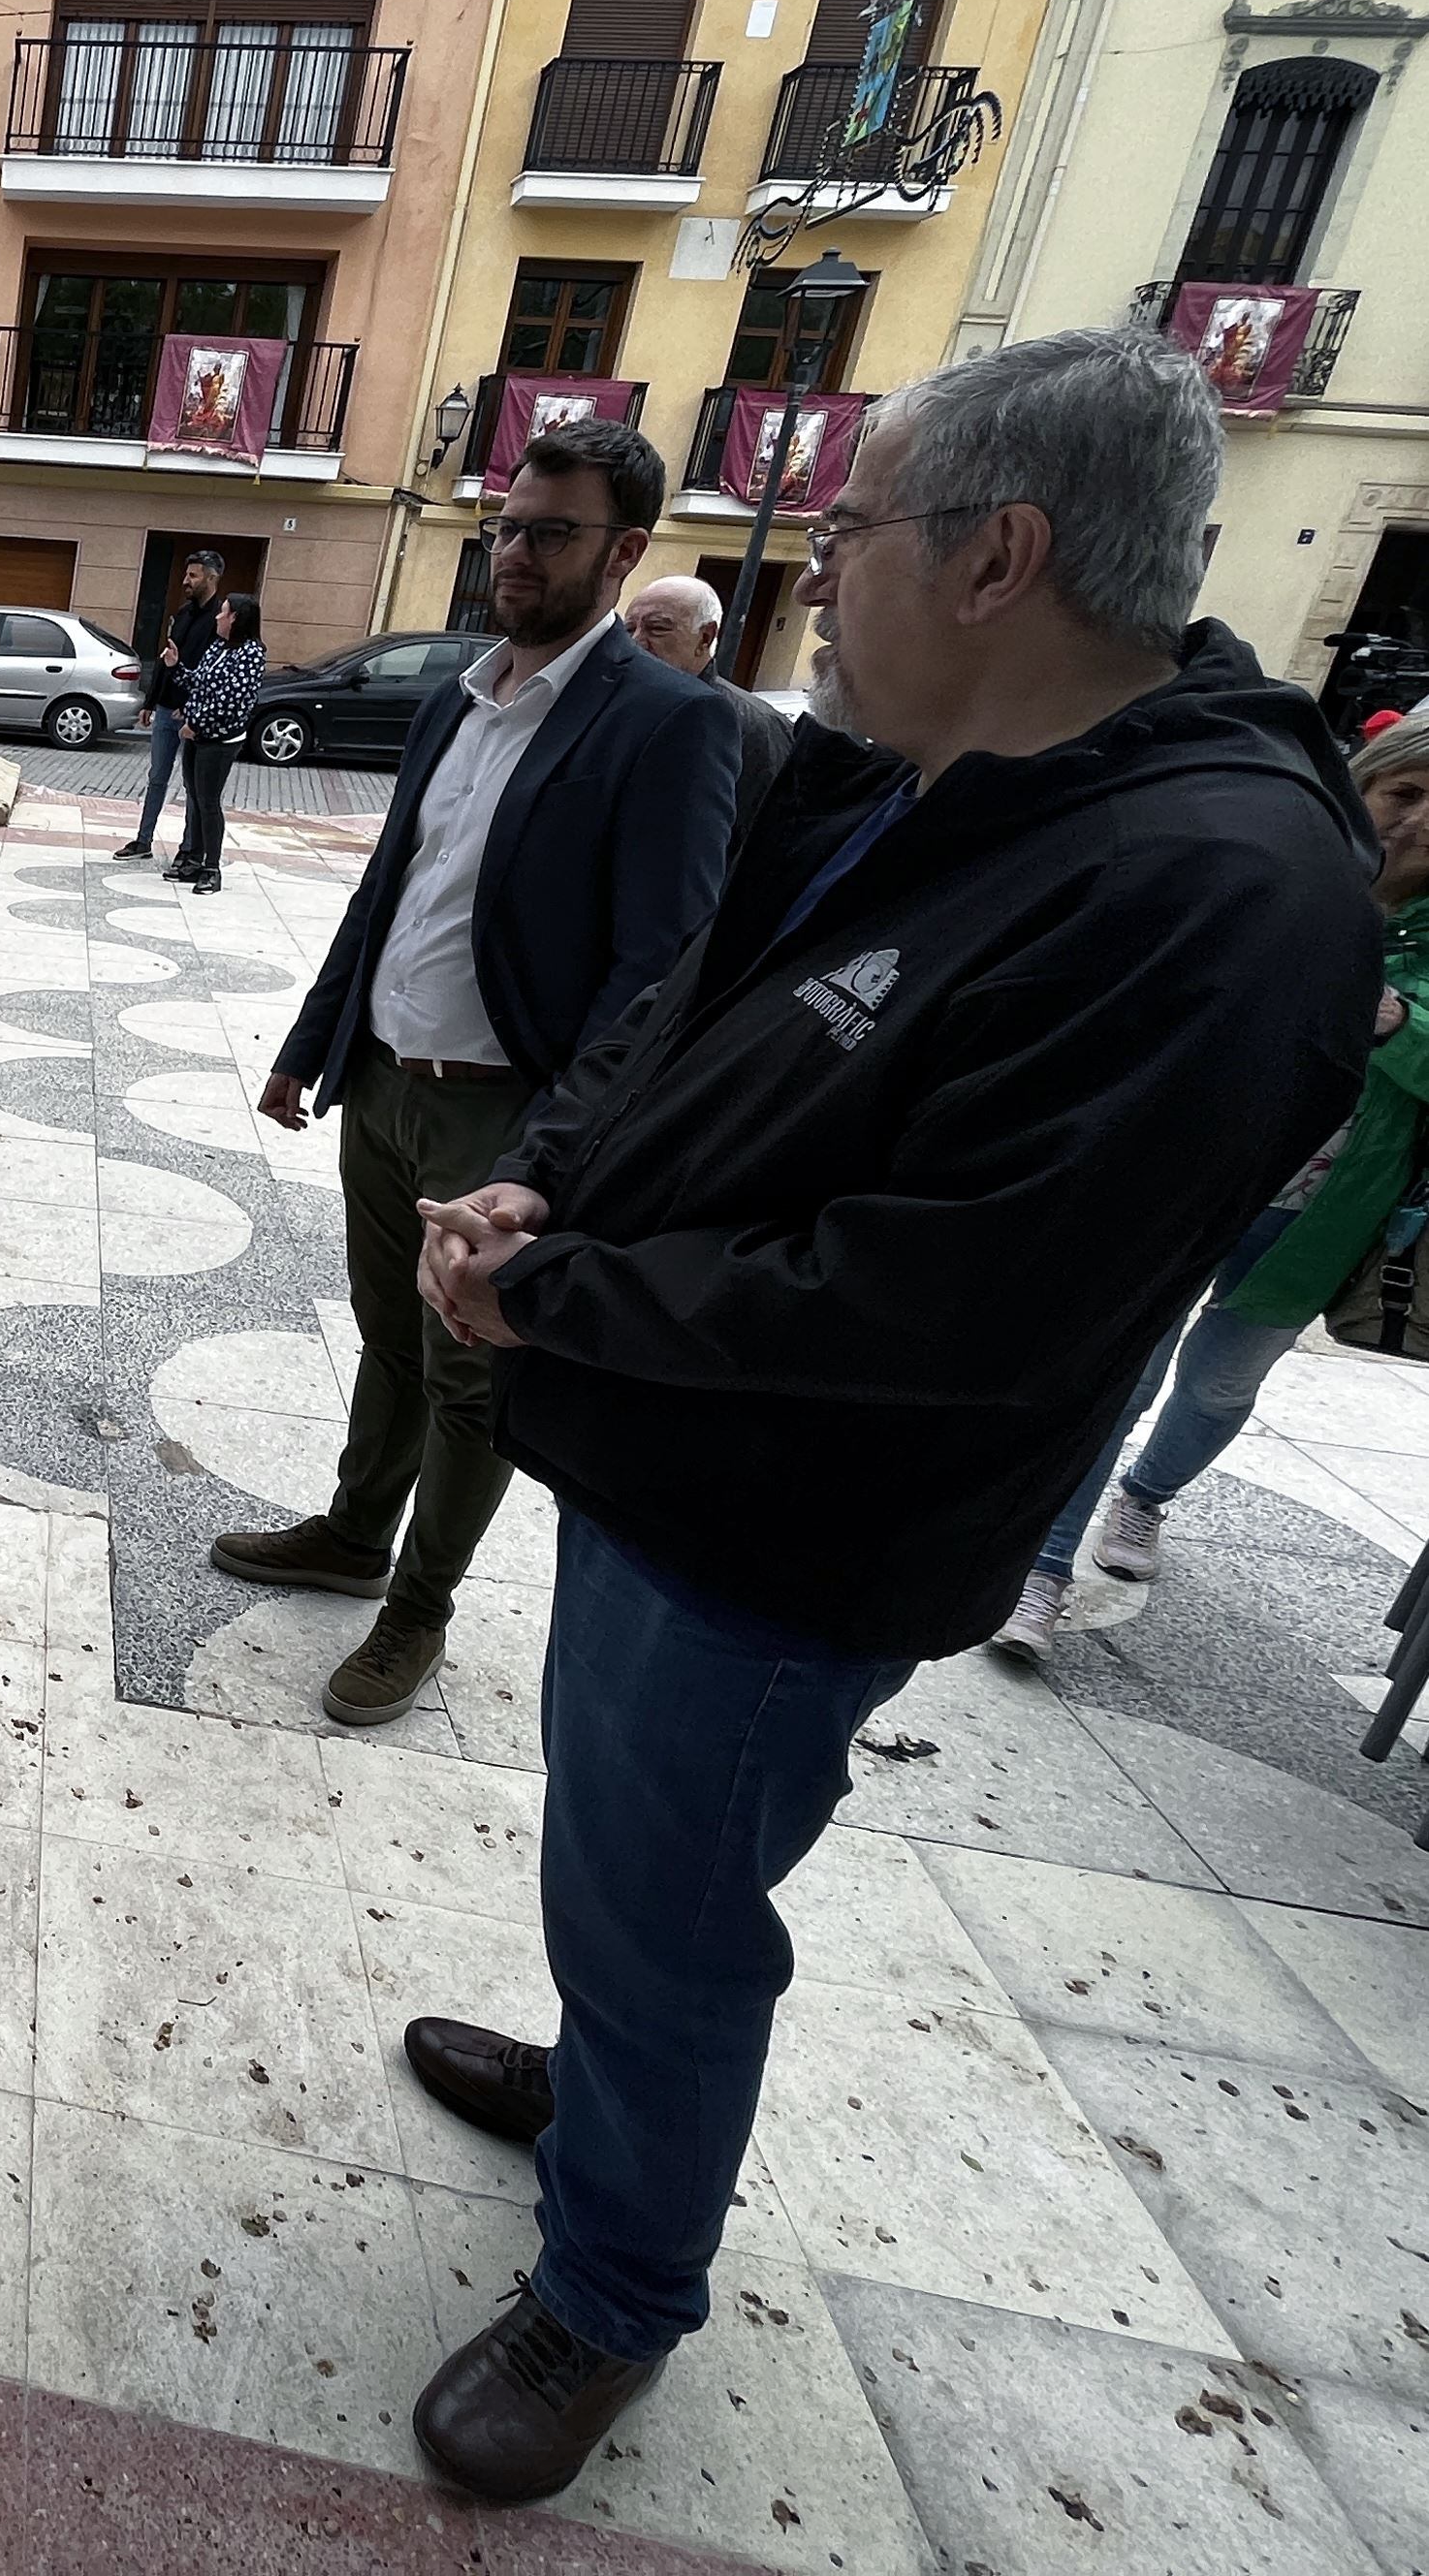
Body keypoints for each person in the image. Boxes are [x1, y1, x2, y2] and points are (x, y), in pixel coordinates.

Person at [394, 327, 1375, 2506]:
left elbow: (936, 1309)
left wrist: (552, 1290)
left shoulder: (1207, 894)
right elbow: (698, 1012)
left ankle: (610, 2291)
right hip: (657, 1439)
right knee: (617, 1852)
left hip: (788, 1524)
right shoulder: (909, 764)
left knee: (670, 1897)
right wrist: (553, 1178)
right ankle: (604, 2084)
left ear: (999, 554)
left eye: (846, 528)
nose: (812, 572)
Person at [212, 422, 737, 1728]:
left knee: (470, 1377)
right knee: (387, 1337)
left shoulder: (666, 723)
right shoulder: (463, 692)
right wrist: (310, 1042)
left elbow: (657, 975)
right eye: (505, 526)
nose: (511, 552)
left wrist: (545, 1160)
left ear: (620, 553)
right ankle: (349, 1534)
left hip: (504, 1115)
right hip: (383, 1083)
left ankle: (416, 1609)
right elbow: (393, 889)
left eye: (547, 532)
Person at [997, 710, 1429, 1654]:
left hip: (1323, 1216)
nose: (1418, 822)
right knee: (1119, 1374)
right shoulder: (1289, 871)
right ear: (1364, 782)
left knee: (1220, 1387)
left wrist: (1396, 1022)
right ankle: (1041, 1568)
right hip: (1199, 1174)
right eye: (1404, 792)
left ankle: (1145, 1499)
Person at [620, 573, 793, 841]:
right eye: (628, 630)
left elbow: (764, 835)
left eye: (657, 628)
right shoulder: (623, 707)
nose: (636, 642)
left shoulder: (754, 726)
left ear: (705, 637)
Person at [115, 550, 227, 861]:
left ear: (212, 578)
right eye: (186, 574)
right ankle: (143, 840)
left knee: (193, 785)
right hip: (165, 709)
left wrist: (192, 707)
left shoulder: (219, 621)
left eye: (193, 576)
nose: (185, 581)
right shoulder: (183, 613)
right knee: (157, 777)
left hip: (193, 716)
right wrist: (150, 700)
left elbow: (213, 671)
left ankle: (188, 849)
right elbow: (168, 659)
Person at [170, 593, 267, 889]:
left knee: (209, 801)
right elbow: (199, 685)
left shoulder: (252, 653)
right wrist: (176, 667)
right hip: (196, 734)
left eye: (222, 613)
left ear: (235, 617)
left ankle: (212, 868)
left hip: (220, 739)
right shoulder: (217, 646)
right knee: (196, 798)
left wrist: (195, 724)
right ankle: (194, 860)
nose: (217, 617)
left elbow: (232, 701)